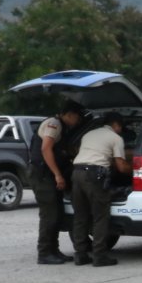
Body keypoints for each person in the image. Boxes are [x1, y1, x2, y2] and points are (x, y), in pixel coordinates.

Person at [70, 112, 131, 267]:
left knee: (81, 216)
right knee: (100, 216)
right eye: (120, 127)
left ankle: (80, 255)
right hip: (94, 176)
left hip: (76, 173)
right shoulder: (116, 138)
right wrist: (135, 170)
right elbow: (121, 167)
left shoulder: (89, 134)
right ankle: (99, 256)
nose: (120, 130)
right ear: (116, 125)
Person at [31, 101, 83, 265]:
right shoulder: (53, 124)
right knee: (49, 215)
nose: (78, 121)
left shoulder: (64, 128)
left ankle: (54, 250)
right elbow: (46, 149)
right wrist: (58, 175)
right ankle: (45, 252)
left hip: (48, 175)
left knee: (56, 213)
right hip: (43, 176)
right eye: (78, 117)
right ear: (70, 115)